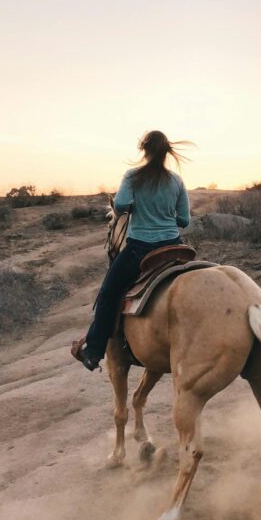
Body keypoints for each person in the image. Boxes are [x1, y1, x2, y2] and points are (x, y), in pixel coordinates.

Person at [71, 131, 191, 371]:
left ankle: (93, 352)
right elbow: (184, 220)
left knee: (108, 293)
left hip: (141, 249)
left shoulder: (133, 176)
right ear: (166, 152)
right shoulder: (177, 181)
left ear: (144, 150)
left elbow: (121, 205)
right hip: (175, 247)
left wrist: (139, 205)